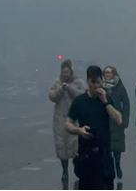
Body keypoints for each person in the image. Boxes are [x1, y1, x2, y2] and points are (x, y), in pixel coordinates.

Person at [63, 64, 123, 191]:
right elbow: (68, 124)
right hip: (86, 154)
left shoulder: (106, 98)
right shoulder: (80, 101)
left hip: (104, 154)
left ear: (102, 80)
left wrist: (105, 102)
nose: (96, 86)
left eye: (99, 82)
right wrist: (78, 130)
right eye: (93, 82)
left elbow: (118, 120)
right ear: (88, 81)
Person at [50, 58, 88, 189]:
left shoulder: (78, 82)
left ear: (71, 72)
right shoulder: (57, 82)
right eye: (63, 72)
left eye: (67, 72)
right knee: (61, 145)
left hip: (74, 118)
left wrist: (70, 88)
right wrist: (60, 89)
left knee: (75, 145)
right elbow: (51, 96)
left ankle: (78, 168)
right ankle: (64, 170)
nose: (65, 74)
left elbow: (82, 94)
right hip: (60, 118)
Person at [104, 65, 131, 185]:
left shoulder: (119, 87)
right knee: (106, 146)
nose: (107, 74)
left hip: (117, 120)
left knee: (117, 147)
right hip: (104, 119)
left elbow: (126, 103)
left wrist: (124, 120)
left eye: (109, 72)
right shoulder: (101, 87)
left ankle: (118, 165)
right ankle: (109, 169)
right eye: (106, 72)